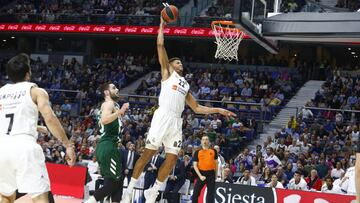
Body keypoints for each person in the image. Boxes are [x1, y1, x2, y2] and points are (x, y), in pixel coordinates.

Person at [121, 17, 235, 203]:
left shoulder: (185, 84)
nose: (180, 64)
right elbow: (160, 45)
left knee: (172, 159)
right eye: (177, 62)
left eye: (181, 63)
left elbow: (197, 108)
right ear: (171, 65)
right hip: (163, 115)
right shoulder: (167, 73)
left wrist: (218, 110)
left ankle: (153, 192)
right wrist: (161, 26)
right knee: (148, 154)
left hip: (176, 121)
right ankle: (130, 189)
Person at [0, 53, 76, 203]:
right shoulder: (35, 91)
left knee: (5, 196)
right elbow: (50, 117)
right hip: (24, 148)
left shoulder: (1, 92)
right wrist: (67, 145)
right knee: (41, 198)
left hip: (2, 147)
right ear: (28, 74)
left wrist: (35, 126)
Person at [85, 82, 129, 203]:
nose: (117, 89)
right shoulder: (109, 103)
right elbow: (104, 120)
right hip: (108, 146)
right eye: (114, 88)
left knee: (117, 182)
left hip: (108, 146)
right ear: (106, 92)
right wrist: (120, 111)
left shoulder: (113, 105)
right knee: (113, 184)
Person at [192, 135, 218, 203]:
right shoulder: (197, 152)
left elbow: (216, 163)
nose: (205, 141)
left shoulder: (213, 151)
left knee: (210, 194)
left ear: (209, 141)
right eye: (203, 139)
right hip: (201, 173)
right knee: (195, 193)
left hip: (211, 174)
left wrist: (215, 175)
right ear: (201, 141)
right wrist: (200, 176)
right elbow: (195, 165)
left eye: (206, 139)